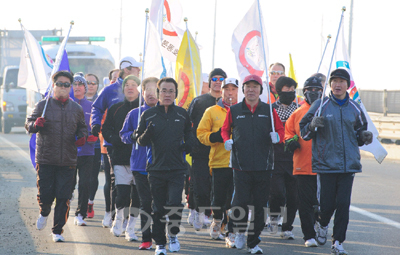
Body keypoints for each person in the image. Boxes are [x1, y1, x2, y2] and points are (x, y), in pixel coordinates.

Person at [300, 69, 373, 255]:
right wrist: (312, 125)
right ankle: (322, 223)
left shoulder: (355, 107)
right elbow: (304, 133)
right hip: (326, 164)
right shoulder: (320, 105)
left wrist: (364, 136)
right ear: (330, 85)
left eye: (342, 81)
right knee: (327, 205)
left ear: (347, 85)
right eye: (334, 81)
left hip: (348, 165)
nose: (338, 85)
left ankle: (338, 242)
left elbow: (359, 133)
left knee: (343, 204)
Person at [221, 74, 284, 254]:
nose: (251, 90)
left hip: (264, 166)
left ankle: (254, 241)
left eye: (255, 87)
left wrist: (277, 137)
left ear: (260, 90)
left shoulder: (269, 110)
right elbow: (225, 129)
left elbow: (280, 129)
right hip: (241, 164)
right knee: (240, 202)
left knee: (260, 205)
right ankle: (239, 230)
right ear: (243, 90)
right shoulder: (234, 110)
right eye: (248, 86)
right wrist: (227, 140)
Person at [25, 71, 88, 242]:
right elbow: (28, 125)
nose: (63, 87)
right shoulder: (43, 105)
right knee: (46, 195)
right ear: (53, 86)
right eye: (59, 84)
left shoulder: (77, 109)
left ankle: (57, 231)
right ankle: (44, 212)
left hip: (68, 160)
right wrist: (35, 124)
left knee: (63, 196)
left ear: (71, 88)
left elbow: (83, 128)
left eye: (66, 84)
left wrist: (82, 137)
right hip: (46, 158)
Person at [136, 77, 194, 255]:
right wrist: (148, 132)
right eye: (164, 91)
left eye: (171, 91)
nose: (167, 94)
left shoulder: (182, 114)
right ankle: (160, 244)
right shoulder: (148, 114)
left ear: (176, 93)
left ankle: (174, 235)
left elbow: (189, 134)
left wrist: (189, 145)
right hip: (156, 169)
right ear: (158, 93)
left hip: (177, 169)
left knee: (175, 204)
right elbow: (140, 140)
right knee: (158, 209)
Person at [91, 56, 142, 227]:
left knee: (134, 183)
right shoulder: (109, 90)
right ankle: (110, 213)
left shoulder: (138, 92)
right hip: (112, 145)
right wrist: (96, 124)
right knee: (113, 182)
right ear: (127, 70)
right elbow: (97, 108)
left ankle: (126, 219)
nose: (139, 72)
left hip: (134, 146)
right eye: (137, 68)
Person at [197, 78, 239, 247]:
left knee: (234, 199)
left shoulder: (242, 110)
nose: (230, 92)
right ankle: (216, 220)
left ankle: (231, 230)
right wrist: (217, 137)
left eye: (233, 89)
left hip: (239, 163)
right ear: (220, 91)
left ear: (238, 92)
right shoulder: (211, 111)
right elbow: (201, 134)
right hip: (219, 161)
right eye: (226, 89)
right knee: (218, 197)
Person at [284, 76, 324, 247]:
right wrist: (291, 142)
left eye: (317, 90)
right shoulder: (297, 113)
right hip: (303, 166)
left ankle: (320, 222)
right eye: (310, 90)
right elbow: (287, 134)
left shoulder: (327, 110)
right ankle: (309, 235)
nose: (313, 93)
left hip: (325, 167)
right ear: (304, 92)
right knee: (305, 203)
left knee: (325, 204)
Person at [120, 77, 159, 250]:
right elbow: (123, 134)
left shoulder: (167, 113)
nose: (151, 93)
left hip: (161, 167)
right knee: (145, 202)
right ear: (142, 93)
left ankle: (161, 236)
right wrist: (133, 136)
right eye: (147, 89)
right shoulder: (135, 114)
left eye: (155, 89)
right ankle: (146, 238)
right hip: (140, 166)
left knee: (159, 204)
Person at [187, 68, 227, 230]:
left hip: (221, 154)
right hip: (201, 152)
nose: (218, 81)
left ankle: (216, 219)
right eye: (215, 78)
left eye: (221, 79)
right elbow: (188, 125)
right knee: (200, 186)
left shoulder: (231, 103)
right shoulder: (199, 101)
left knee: (217, 189)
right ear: (209, 82)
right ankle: (199, 212)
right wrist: (192, 145)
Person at [102, 75, 140, 241]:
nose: (130, 88)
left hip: (140, 160)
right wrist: (115, 140)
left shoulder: (145, 109)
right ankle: (118, 221)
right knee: (122, 194)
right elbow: (106, 129)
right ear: (123, 89)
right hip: (120, 158)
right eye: (127, 85)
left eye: (133, 85)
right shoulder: (116, 108)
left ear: (139, 88)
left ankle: (131, 228)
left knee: (138, 195)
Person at [268, 76, 299, 239]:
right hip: (275, 158)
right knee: (277, 193)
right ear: (278, 91)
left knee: (294, 197)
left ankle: (287, 227)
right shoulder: (270, 110)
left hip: (295, 158)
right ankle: (274, 215)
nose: (290, 92)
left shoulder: (300, 110)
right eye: (286, 89)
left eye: (292, 89)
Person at [71, 73, 98, 226]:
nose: (77, 87)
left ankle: (80, 214)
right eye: (74, 84)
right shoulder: (67, 104)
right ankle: (66, 202)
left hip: (87, 151)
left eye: (80, 85)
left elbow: (96, 125)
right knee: (69, 183)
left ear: (85, 88)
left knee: (85, 183)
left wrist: (94, 134)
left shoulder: (91, 106)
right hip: (70, 152)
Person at [84, 73, 101, 218]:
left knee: (92, 175)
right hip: (78, 144)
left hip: (95, 144)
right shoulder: (77, 100)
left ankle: (90, 202)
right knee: (77, 177)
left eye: (93, 83)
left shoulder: (100, 101)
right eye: (87, 82)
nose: (90, 85)